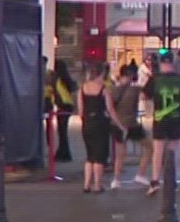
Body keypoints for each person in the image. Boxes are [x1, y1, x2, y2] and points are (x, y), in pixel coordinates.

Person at [145, 53, 180, 195]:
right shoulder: (178, 78)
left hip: (159, 119)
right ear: (172, 63)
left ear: (161, 63)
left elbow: (145, 95)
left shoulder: (154, 79)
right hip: (175, 119)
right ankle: (171, 181)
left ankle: (155, 181)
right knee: (172, 152)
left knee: (158, 151)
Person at [109, 63, 145, 190]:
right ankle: (140, 174)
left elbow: (110, 108)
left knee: (120, 154)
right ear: (130, 75)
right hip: (132, 124)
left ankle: (116, 180)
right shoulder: (135, 89)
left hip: (118, 125)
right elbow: (145, 96)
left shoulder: (113, 90)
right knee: (149, 147)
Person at [77, 63, 111, 192]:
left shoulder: (82, 89)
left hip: (87, 124)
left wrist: (86, 119)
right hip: (100, 123)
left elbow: (80, 110)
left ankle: (86, 185)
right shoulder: (103, 89)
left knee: (90, 155)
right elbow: (110, 109)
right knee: (99, 156)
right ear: (101, 74)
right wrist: (119, 124)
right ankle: (97, 185)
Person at [47, 59, 77, 164]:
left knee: (62, 132)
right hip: (68, 105)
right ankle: (62, 152)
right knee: (62, 131)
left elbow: (55, 91)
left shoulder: (57, 78)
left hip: (63, 106)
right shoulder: (65, 78)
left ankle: (65, 153)